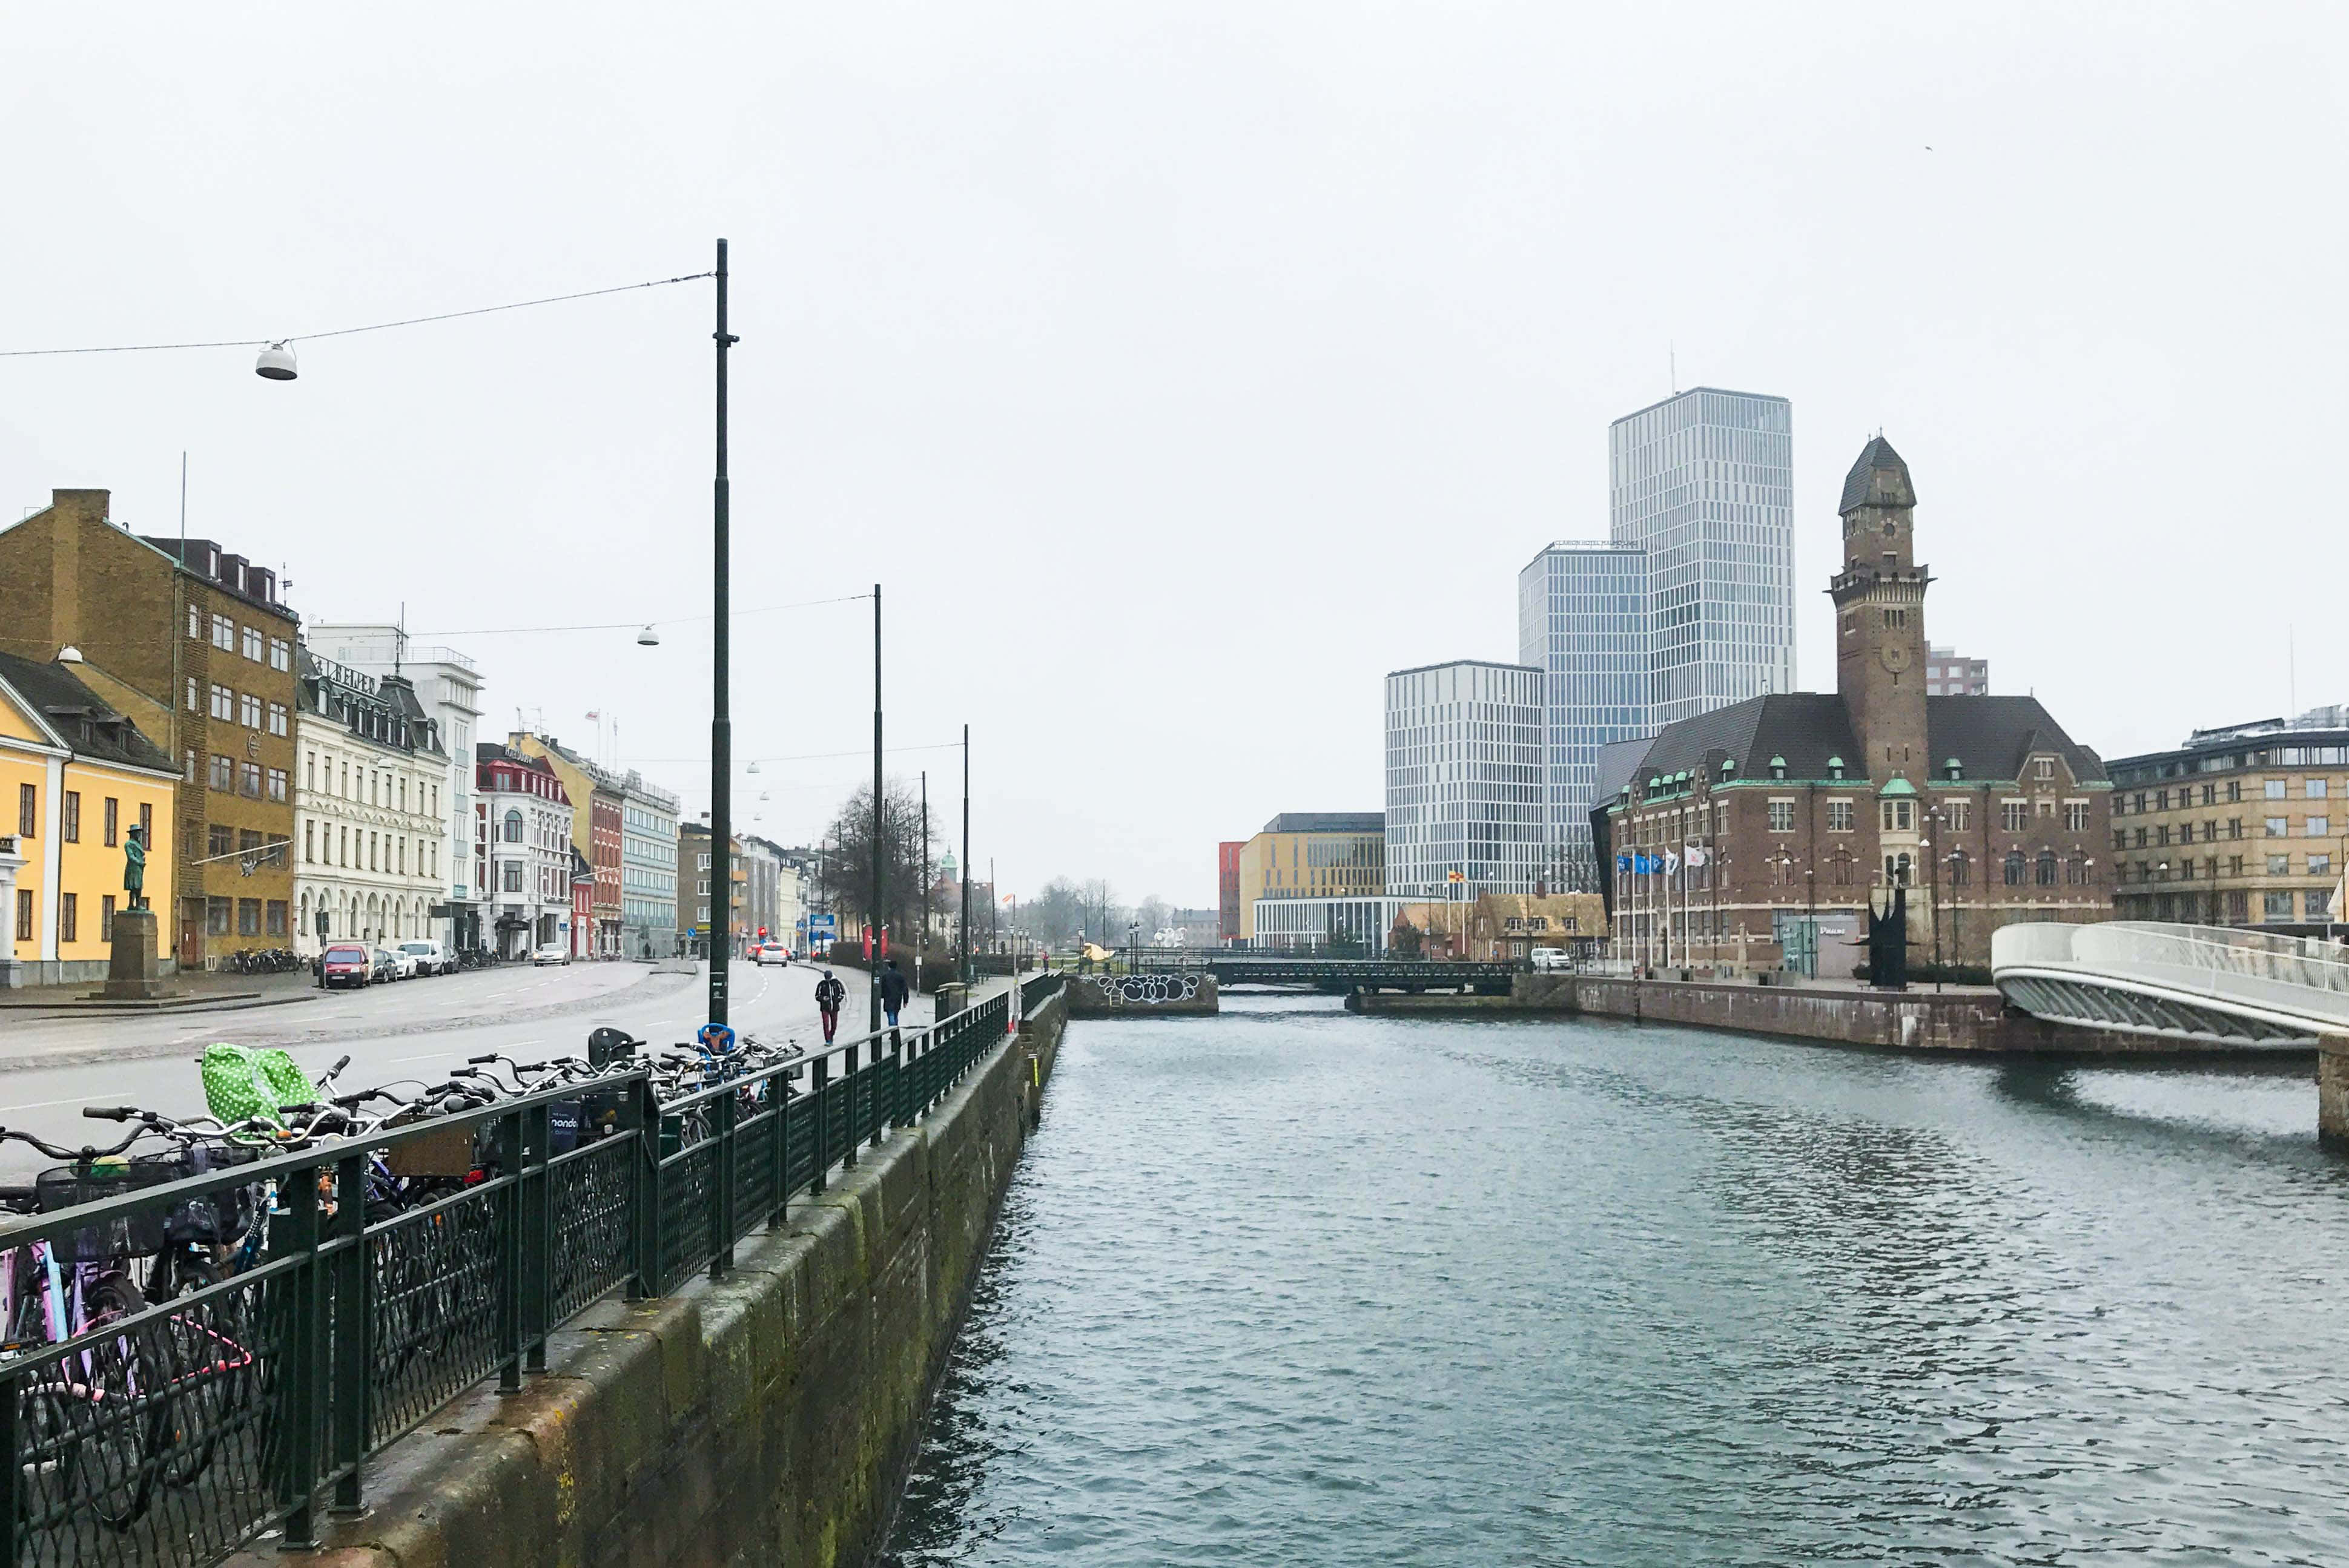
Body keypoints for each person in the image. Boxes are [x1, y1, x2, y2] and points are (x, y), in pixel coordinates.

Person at [878, 957, 910, 1032]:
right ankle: (895, 1030)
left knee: (891, 1015)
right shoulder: (901, 977)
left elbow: (882, 987)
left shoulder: (885, 976)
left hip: (888, 998)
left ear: (889, 967)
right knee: (896, 1015)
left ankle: (893, 1031)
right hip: (898, 999)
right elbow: (905, 989)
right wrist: (906, 1001)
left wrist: (881, 996)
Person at [814, 968, 845, 1044]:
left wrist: (838, 1000)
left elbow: (842, 993)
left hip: (835, 1007)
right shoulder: (822, 984)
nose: (828, 980)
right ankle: (828, 1040)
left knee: (834, 1025)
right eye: (827, 979)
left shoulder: (837, 983)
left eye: (829, 979)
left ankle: (831, 1035)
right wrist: (823, 998)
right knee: (826, 1023)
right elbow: (817, 996)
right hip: (825, 1007)